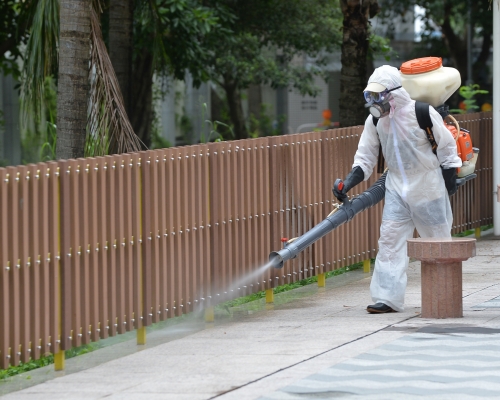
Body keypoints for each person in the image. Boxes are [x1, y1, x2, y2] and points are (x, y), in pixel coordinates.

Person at [333, 65, 462, 314]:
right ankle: (387, 298)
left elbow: (447, 148)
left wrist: (449, 182)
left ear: (393, 92)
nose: (374, 102)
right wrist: (347, 183)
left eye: (378, 96)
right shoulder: (376, 121)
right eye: (369, 96)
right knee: (390, 241)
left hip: (427, 187)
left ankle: (443, 296)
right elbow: (365, 157)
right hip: (396, 189)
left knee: (437, 242)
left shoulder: (421, 112)